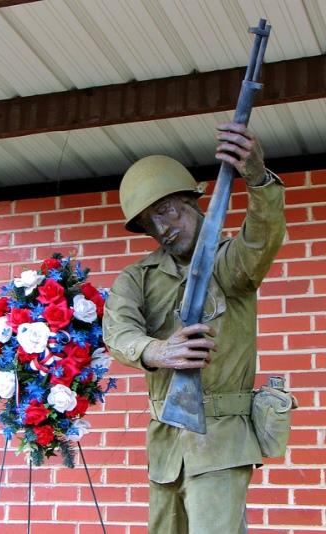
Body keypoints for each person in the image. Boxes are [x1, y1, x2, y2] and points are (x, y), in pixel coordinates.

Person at [102, 122, 286, 534]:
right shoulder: (138, 278)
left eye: (167, 210)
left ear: (192, 199)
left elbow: (261, 240)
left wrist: (257, 178)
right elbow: (118, 332)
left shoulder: (229, 263)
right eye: (150, 222)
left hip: (221, 441)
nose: (163, 228)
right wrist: (156, 351)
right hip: (166, 446)